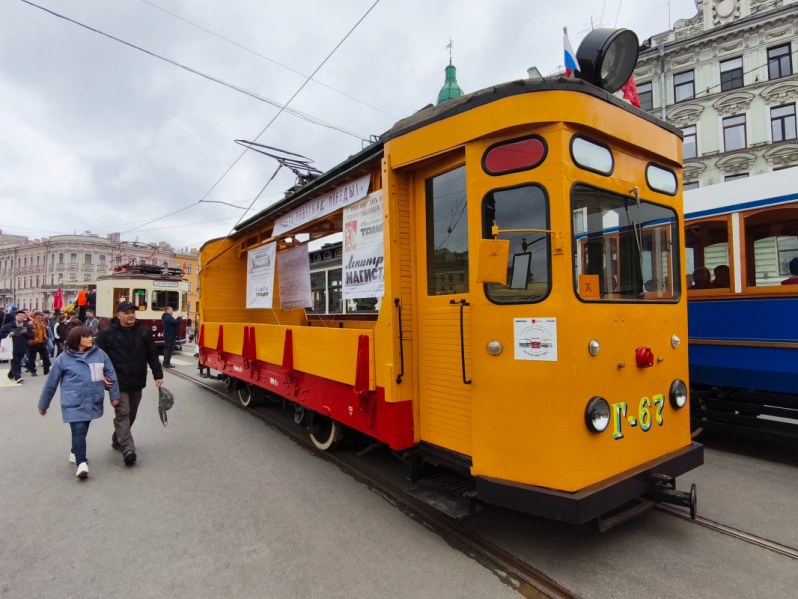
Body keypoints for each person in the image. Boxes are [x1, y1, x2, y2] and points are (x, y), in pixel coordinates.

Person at [38, 326, 120, 479]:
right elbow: (51, 383)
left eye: (91, 336)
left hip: (93, 399)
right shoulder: (63, 358)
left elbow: (111, 375)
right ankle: (82, 463)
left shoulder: (100, 355)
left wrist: (114, 395)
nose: (91, 339)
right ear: (77, 339)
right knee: (79, 430)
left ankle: (75, 452)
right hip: (73, 400)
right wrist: (44, 404)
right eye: (86, 336)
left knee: (83, 429)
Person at [96, 301, 163, 466]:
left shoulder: (144, 332)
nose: (131, 315)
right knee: (123, 412)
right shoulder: (106, 334)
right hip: (117, 381)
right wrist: (101, 375)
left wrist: (157, 374)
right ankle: (128, 448)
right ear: (118, 315)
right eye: (127, 312)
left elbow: (152, 355)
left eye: (133, 312)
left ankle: (117, 438)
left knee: (131, 413)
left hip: (137, 379)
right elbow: (98, 359)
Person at [1, 311, 34, 383]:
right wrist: (9, 334)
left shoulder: (27, 326)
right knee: (15, 361)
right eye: (19, 315)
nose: (21, 317)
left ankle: (11, 374)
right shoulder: (9, 326)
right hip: (12, 346)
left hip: (23, 347)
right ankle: (18, 377)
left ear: (24, 317)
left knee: (18, 362)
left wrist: (26, 333)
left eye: (22, 316)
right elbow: (1, 334)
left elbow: (32, 336)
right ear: (16, 316)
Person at [26, 311, 51, 377]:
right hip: (34, 342)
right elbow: (29, 333)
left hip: (42, 342)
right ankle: (33, 371)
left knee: (45, 356)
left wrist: (46, 338)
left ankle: (46, 370)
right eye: (41, 315)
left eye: (42, 315)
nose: (42, 317)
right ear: (36, 316)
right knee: (32, 357)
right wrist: (32, 339)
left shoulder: (43, 323)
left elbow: (45, 332)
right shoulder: (30, 323)